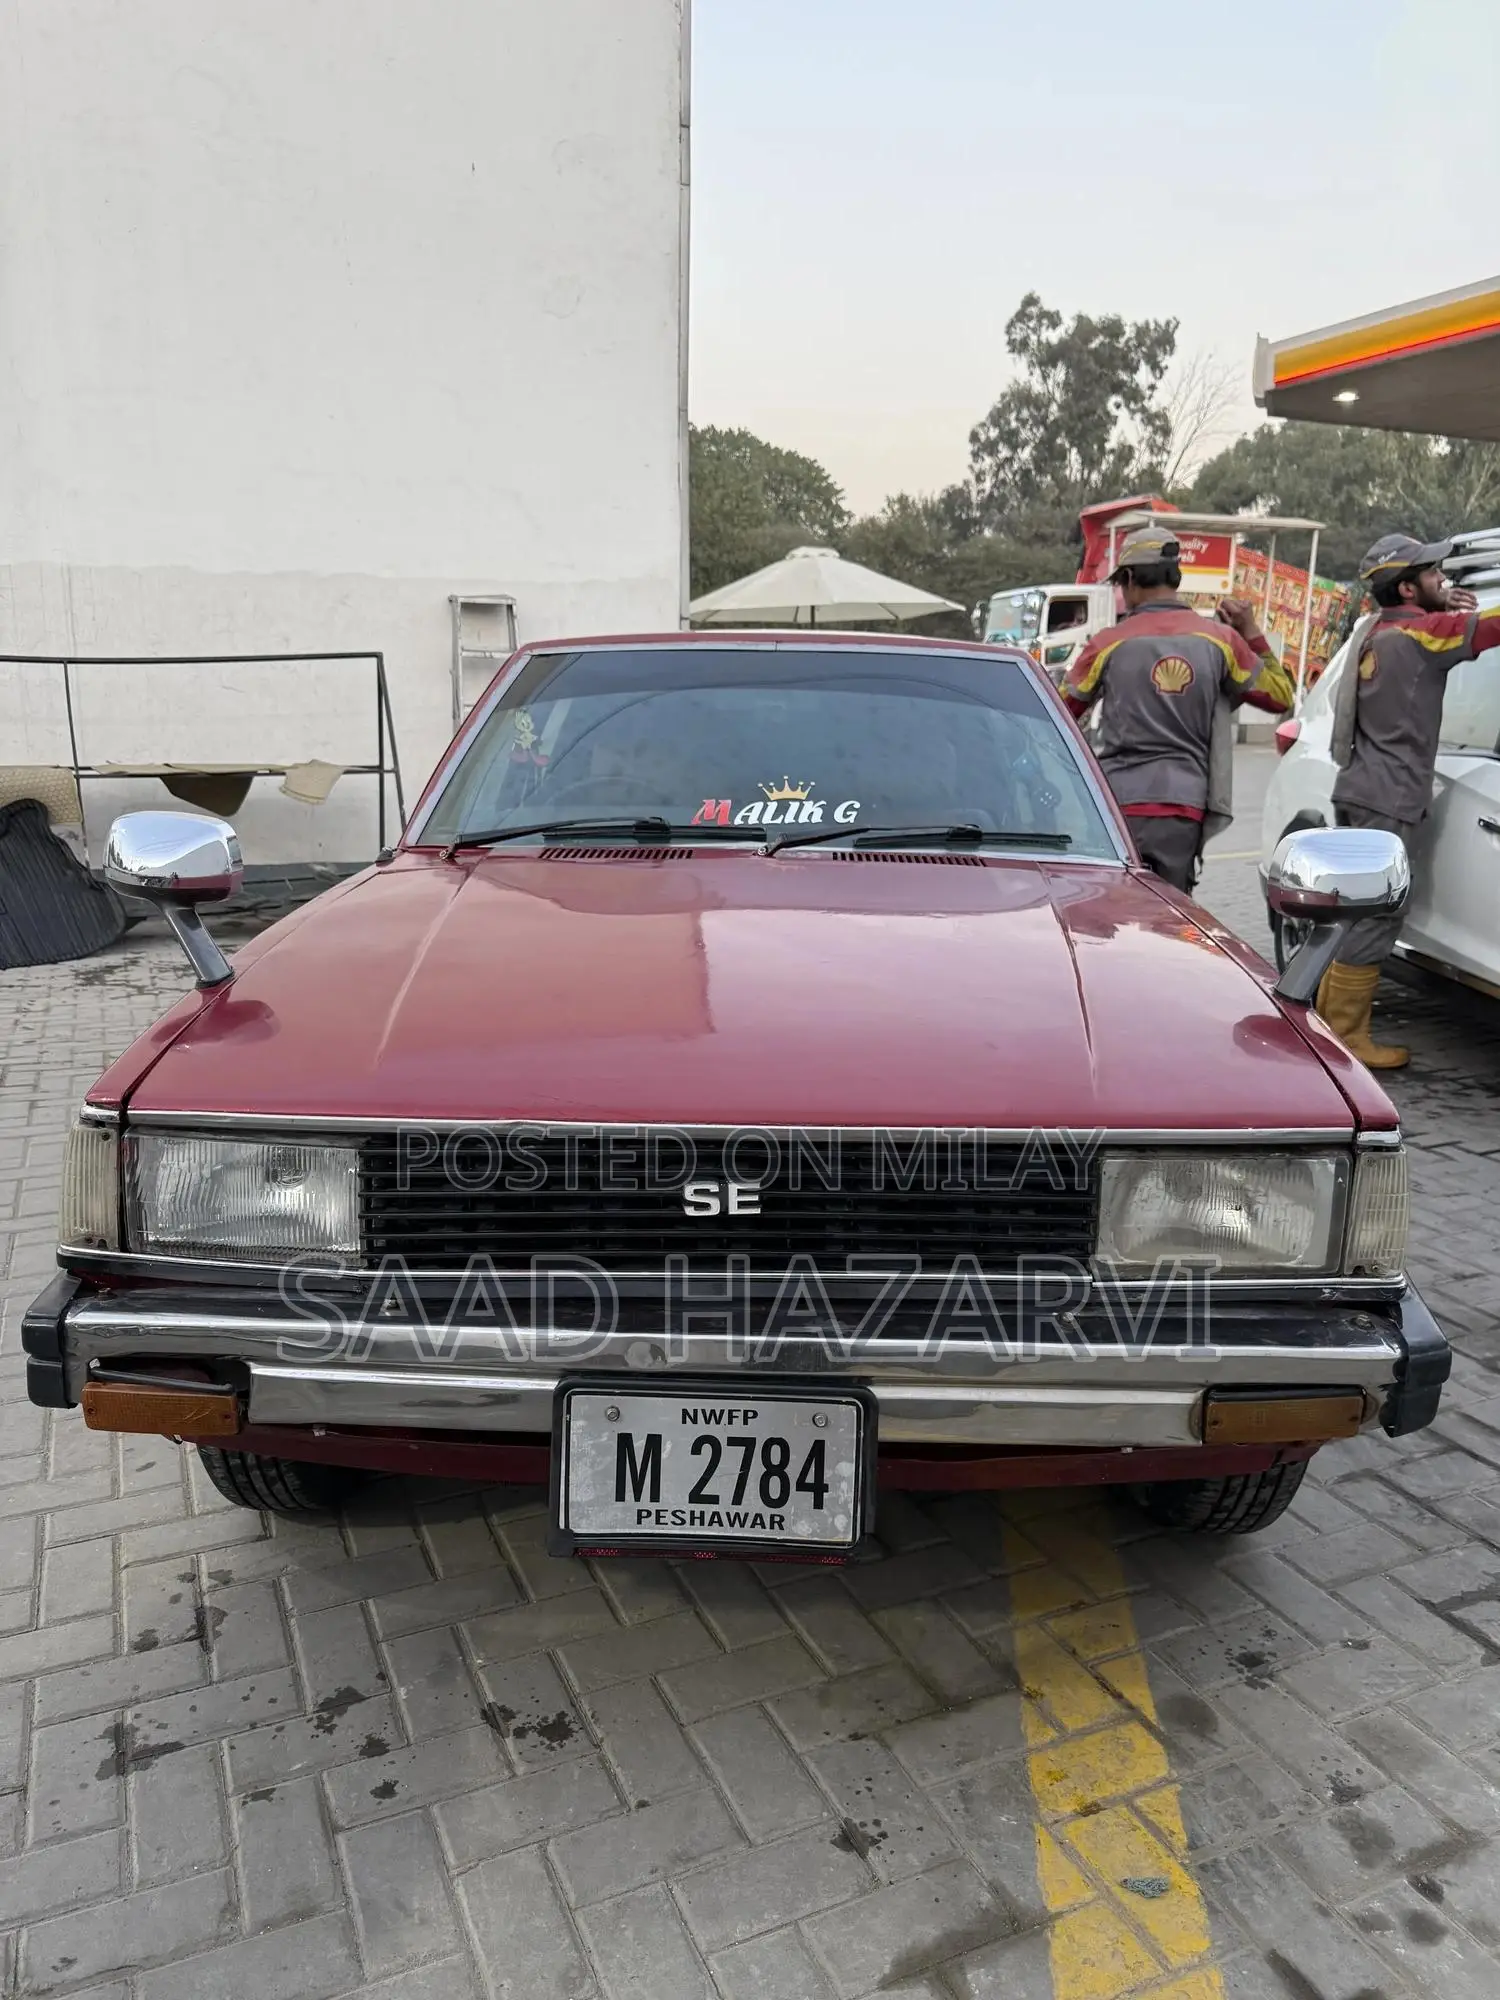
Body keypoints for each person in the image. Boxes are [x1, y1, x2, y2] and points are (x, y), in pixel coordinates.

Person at [1319, 532, 1500, 1068]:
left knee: (1353, 911)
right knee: (1377, 914)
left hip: (1359, 787)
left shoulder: (1376, 633)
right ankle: (1349, 1037)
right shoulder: (1424, 636)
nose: (1440, 578)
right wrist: (1451, 612)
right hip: (1391, 797)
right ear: (1406, 587)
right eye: (1429, 573)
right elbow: (1490, 629)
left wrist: (1441, 603)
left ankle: (1328, 1027)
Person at [1060, 525, 1294, 890]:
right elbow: (1281, 695)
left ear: (1131, 578)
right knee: (1172, 919)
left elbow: (1060, 711)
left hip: (1119, 806)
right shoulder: (1221, 640)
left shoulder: (1106, 643)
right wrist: (1252, 632)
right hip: (1185, 808)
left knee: (1117, 914)